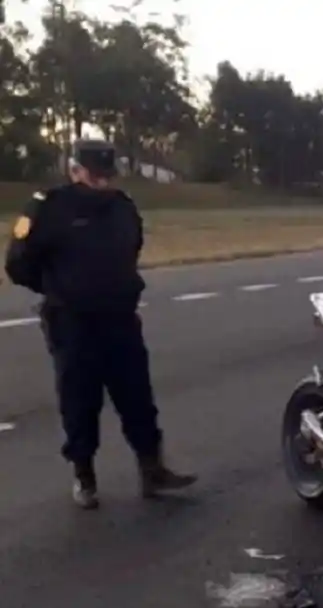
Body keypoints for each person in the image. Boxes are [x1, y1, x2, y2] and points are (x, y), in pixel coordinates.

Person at [4, 139, 197, 509]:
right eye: (93, 176)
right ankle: (84, 475)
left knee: (137, 397)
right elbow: (18, 263)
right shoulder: (48, 207)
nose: (101, 183)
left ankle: (152, 469)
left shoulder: (122, 207)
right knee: (80, 401)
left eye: (106, 176)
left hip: (120, 318)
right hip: (73, 322)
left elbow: (131, 248)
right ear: (74, 170)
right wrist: (59, 289)